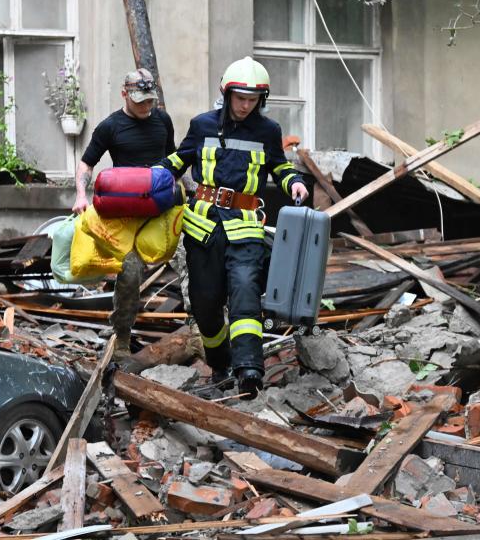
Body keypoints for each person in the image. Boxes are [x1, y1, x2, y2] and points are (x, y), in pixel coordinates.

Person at [158, 56, 307, 398]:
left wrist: (295, 182)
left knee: (244, 295)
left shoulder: (268, 131)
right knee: (206, 304)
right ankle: (220, 363)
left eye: (252, 100)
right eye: (240, 98)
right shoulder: (202, 125)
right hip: (203, 227)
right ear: (227, 94)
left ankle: (250, 370)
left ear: (261, 100)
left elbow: (280, 168)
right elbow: (179, 160)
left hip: (245, 228)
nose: (245, 105)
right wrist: (151, 178)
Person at [73, 68, 175, 357]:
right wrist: (81, 195)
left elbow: (175, 160)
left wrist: (190, 192)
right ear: (124, 94)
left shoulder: (163, 121)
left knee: (191, 260)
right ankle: (122, 336)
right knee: (130, 274)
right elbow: (86, 164)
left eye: (150, 100)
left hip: (162, 210)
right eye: (140, 100)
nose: (146, 106)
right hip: (127, 215)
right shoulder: (110, 127)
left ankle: (199, 328)